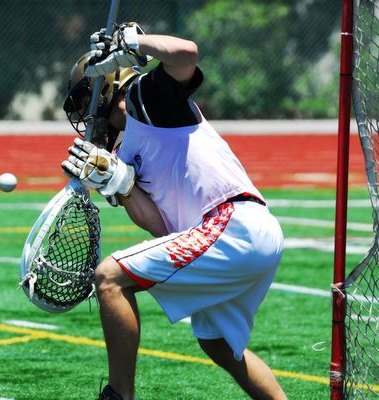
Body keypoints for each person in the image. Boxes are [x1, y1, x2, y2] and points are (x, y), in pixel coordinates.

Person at [61, 22, 287, 400]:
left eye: (88, 102)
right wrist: (120, 183)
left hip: (233, 225)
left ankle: (120, 395)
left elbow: (187, 54)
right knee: (217, 344)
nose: (88, 117)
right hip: (242, 233)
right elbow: (162, 228)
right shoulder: (129, 147)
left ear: (109, 86)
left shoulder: (144, 99)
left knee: (110, 277)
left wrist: (133, 43)